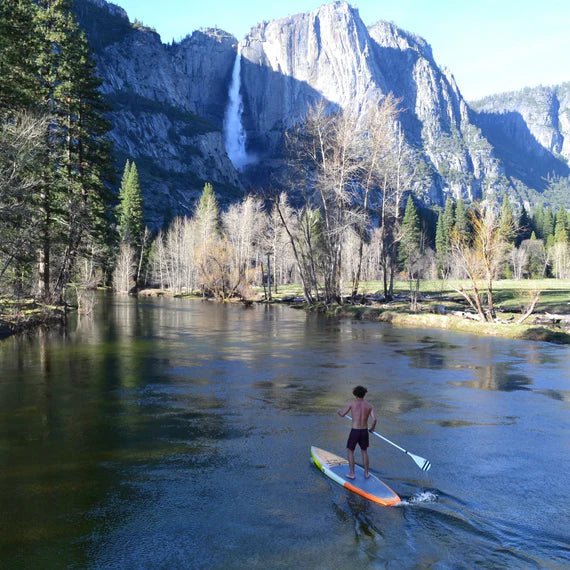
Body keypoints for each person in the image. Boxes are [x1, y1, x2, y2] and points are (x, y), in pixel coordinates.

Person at [337, 385, 377, 479]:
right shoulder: (369, 405)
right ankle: (366, 473)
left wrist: (338, 412)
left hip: (355, 431)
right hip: (364, 431)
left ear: (355, 394)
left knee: (350, 451)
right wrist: (372, 429)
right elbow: (374, 420)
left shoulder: (352, 403)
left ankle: (352, 473)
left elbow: (342, 414)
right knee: (364, 451)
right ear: (364, 394)